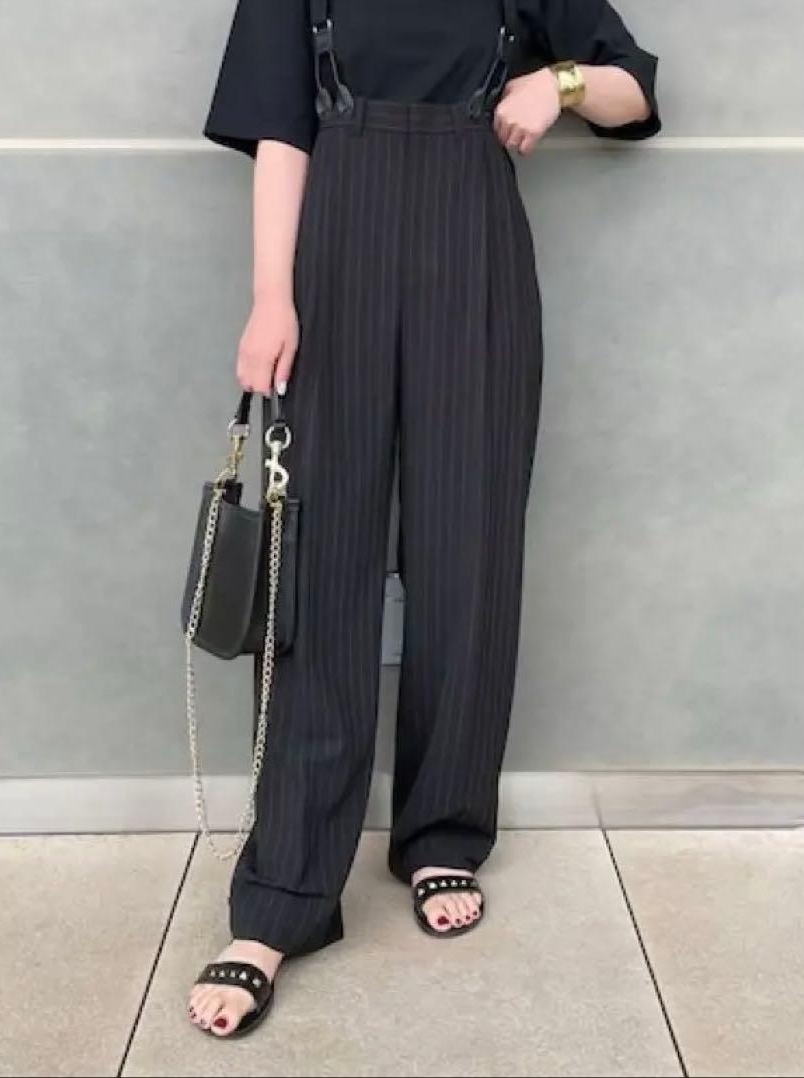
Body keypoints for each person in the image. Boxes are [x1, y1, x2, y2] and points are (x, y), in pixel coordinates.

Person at [188, 0, 661, 1039]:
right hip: (334, 263)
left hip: (475, 261)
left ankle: (444, 829)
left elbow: (633, 92)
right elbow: (280, 132)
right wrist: (271, 296)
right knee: (321, 567)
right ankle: (282, 898)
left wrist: (562, 84)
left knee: (468, 551)